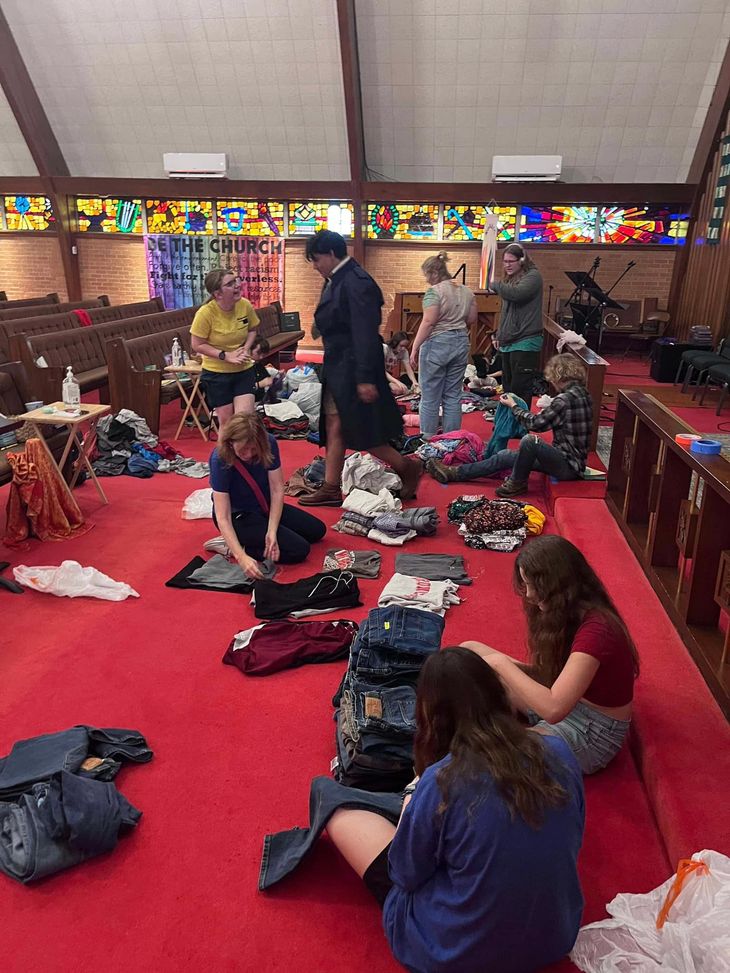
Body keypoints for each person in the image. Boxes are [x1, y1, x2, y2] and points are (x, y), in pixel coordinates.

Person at [326, 647, 585, 973]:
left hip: (456, 954)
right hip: (555, 937)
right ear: (498, 694)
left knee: (334, 804)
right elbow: (573, 835)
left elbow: (405, 874)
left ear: (430, 716)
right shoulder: (560, 750)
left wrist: (412, 802)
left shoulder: (442, 780)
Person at [463, 535, 639, 775]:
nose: (528, 595)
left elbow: (554, 709)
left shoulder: (598, 630)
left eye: (534, 585)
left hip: (592, 730)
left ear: (559, 585)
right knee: (470, 651)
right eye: (525, 585)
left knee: (487, 753)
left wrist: (500, 664)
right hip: (569, 701)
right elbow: (550, 679)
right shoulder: (568, 612)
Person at [299, 230, 422, 507]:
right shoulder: (337, 278)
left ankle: (407, 466)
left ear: (331, 254)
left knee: (362, 430)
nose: (314, 266)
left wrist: (365, 378)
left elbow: (364, 332)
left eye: (316, 259)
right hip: (340, 366)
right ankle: (331, 487)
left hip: (355, 368)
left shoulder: (356, 282)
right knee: (335, 424)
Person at [425, 353, 592, 497]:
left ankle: (517, 483)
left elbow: (535, 424)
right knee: (505, 456)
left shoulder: (564, 400)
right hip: (571, 462)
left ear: (559, 376)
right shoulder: (583, 394)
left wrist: (514, 406)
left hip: (567, 465)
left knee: (530, 441)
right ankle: (455, 473)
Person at [209, 413, 325, 579]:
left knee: (317, 530)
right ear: (231, 442)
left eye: (253, 449)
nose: (249, 454)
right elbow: (223, 517)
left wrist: (272, 531)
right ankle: (232, 546)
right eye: (243, 450)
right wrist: (241, 557)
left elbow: (277, 489)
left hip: (264, 504)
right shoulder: (220, 458)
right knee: (299, 550)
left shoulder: (268, 442)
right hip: (238, 515)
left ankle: (252, 537)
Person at [409, 251, 476, 439]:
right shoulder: (467, 292)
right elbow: (472, 319)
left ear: (434, 273)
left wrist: (415, 347)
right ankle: (452, 439)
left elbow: (429, 322)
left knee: (430, 396)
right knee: (453, 396)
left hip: (437, 343)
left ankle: (428, 439)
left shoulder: (434, 292)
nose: (427, 280)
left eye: (427, 275)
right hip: (461, 342)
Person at [190, 269, 259, 425]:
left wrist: (246, 348)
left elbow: (253, 329)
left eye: (236, 281)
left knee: (244, 421)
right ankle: (225, 443)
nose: (237, 285)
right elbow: (197, 345)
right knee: (227, 423)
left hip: (243, 370)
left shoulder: (245, 305)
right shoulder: (205, 313)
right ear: (218, 294)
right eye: (230, 284)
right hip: (217, 374)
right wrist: (225, 355)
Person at [489, 243, 544, 403]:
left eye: (511, 261)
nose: (507, 265)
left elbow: (517, 294)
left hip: (526, 340)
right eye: (505, 261)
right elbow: (506, 312)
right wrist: (500, 334)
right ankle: (509, 420)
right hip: (509, 341)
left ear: (522, 260)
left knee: (520, 389)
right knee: (508, 389)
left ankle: (521, 420)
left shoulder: (533, 276)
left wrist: (495, 285)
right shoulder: (511, 279)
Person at [383, 331, 418, 396]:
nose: (403, 348)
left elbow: (409, 369)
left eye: (405, 346)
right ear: (395, 342)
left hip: (387, 376)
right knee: (396, 388)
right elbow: (381, 370)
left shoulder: (404, 352)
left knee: (400, 389)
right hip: (377, 374)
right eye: (401, 346)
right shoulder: (385, 348)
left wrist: (414, 382)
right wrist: (397, 382)